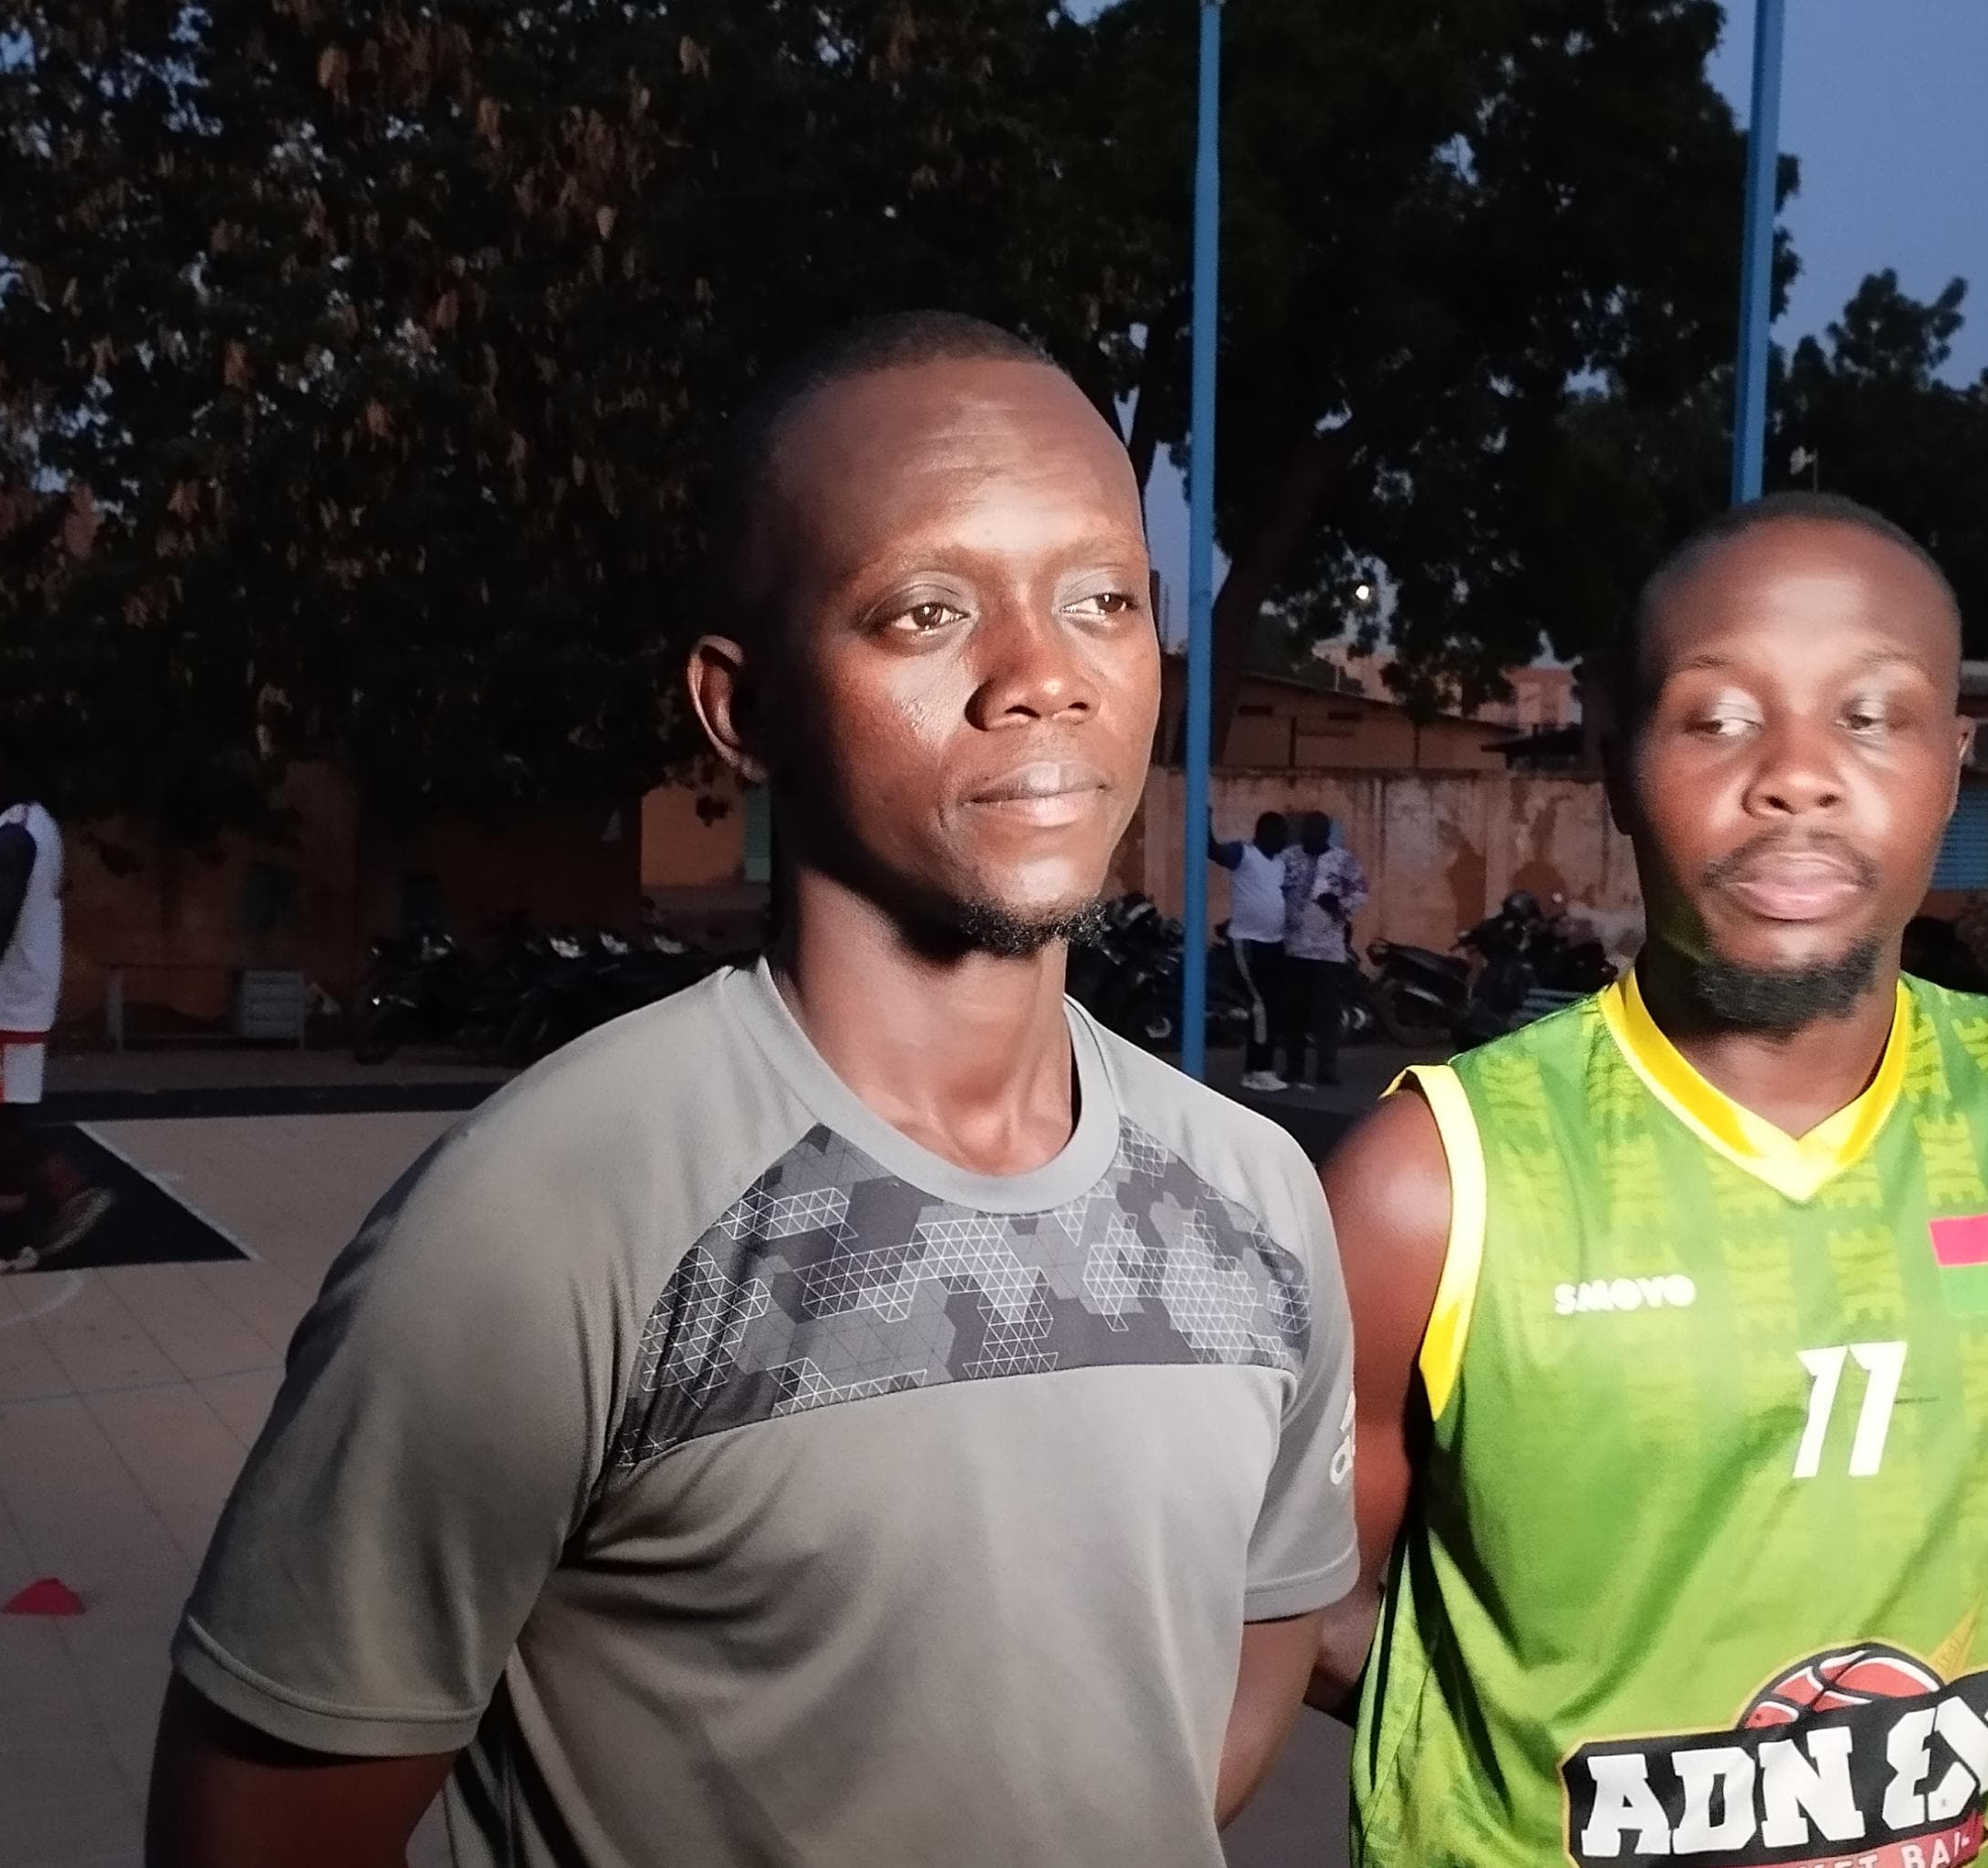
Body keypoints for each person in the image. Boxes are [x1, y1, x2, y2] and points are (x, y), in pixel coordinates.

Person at [146, 313, 1356, 1868]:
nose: (1042, 676)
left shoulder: (1252, 1194)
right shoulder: (542, 1224)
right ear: (743, 706)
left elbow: (1257, 1639)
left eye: (1103, 598)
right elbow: (255, 1832)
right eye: (924, 611)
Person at [1315, 492, 1988, 1868]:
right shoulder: (1432, 1186)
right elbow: (1299, 1597)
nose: (1796, 774)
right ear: (1616, 756)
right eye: (1717, 717)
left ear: (1953, 765)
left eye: (1872, 715)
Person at [0, 740, 114, 1275]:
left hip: (4, 1000)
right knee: (5, 1116)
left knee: (1, 1121)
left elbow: (2, 919)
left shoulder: (13, 835)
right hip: (21, 995)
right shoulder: (39, 823)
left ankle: (68, 1195)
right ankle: (15, 1236)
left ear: (11, 770)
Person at [1280, 809, 1369, 1089]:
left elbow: (1361, 891)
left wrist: (1340, 905)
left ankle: (1326, 1070)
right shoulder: (1288, 858)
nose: (1312, 834)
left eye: (1318, 830)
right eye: (1308, 829)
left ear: (1327, 833)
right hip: (1292, 948)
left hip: (1328, 952)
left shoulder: (1343, 861)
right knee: (1293, 1013)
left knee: (1325, 1015)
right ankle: (1294, 1068)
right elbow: (1273, 889)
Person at [1213, 809, 1293, 1093]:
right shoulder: (1244, 855)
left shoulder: (1279, 864)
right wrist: (1205, 820)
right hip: (1248, 943)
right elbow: (1215, 851)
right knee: (1260, 1006)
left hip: (1274, 942)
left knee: (1273, 1007)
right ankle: (1257, 1071)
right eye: (1280, 833)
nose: (1284, 839)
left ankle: (1263, 1068)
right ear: (1264, 833)